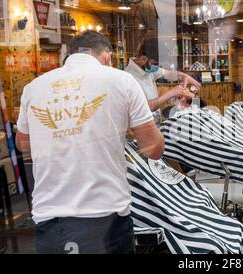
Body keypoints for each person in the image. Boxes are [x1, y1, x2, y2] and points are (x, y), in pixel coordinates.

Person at [15, 30, 164, 254]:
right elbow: (153, 148)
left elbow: (23, 144)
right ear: (107, 57)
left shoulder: (33, 88)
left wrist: (63, 129)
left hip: (50, 218)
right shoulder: (121, 80)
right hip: (105, 214)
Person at [125, 40, 201, 125]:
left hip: (155, 123)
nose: (157, 67)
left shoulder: (147, 68)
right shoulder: (129, 77)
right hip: (142, 126)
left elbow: (168, 74)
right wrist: (171, 93)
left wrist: (185, 76)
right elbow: (146, 107)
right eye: (155, 64)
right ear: (143, 58)